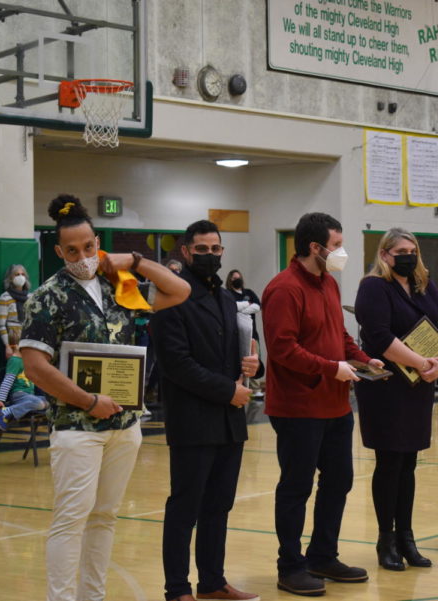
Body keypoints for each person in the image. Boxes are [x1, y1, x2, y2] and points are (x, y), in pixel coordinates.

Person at [20, 195, 189, 601]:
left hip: (124, 425)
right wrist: (87, 401)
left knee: (105, 518)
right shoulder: (47, 296)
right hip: (78, 428)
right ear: (59, 251)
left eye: (89, 246)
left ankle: (92, 596)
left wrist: (133, 260)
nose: (82, 256)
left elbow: (180, 290)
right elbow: (35, 367)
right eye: (72, 250)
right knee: (70, 520)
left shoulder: (121, 285)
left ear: (98, 243)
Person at [262, 212, 382, 596]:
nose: (340, 252)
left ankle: (322, 555)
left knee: (340, 480)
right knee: (296, 486)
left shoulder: (328, 283)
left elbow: (338, 333)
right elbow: (282, 349)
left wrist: (363, 359)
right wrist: (332, 368)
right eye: (336, 245)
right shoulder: (284, 288)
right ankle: (290, 565)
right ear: (314, 248)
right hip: (298, 407)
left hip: (335, 405)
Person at [151, 220, 262, 601]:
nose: (210, 256)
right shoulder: (170, 297)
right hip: (193, 419)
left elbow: (234, 352)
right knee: (186, 507)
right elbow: (176, 364)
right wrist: (227, 390)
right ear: (185, 251)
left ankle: (213, 582)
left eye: (216, 249)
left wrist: (252, 366)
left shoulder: (227, 298)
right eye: (202, 249)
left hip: (229, 421)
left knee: (219, 507)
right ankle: (177, 589)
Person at [353, 227, 438, 571]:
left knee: (409, 463)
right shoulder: (373, 287)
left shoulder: (426, 287)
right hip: (385, 386)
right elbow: (379, 336)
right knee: (389, 463)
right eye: (401, 251)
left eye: (413, 250)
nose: (408, 256)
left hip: (419, 385)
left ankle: (407, 538)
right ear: (384, 255)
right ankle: (386, 540)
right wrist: (423, 362)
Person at [0, 330, 48, 431]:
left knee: (49, 402)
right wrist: (0, 400)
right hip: (19, 395)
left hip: (30, 396)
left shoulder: (26, 360)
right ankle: (6, 412)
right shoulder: (14, 361)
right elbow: (7, 381)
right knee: (39, 404)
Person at [0, 264, 31, 359]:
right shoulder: (4, 298)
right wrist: (7, 346)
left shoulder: (31, 297)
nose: (20, 277)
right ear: (10, 278)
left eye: (23, 274)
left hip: (28, 340)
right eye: (17, 274)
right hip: (13, 342)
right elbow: (1, 325)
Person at [225, 269, 261, 339]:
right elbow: (231, 308)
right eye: (235, 278)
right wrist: (249, 303)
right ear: (230, 280)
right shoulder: (227, 294)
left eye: (239, 278)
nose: (238, 280)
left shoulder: (249, 292)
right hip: (235, 336)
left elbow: (258, 306)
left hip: (252, 335)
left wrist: (239, 311)